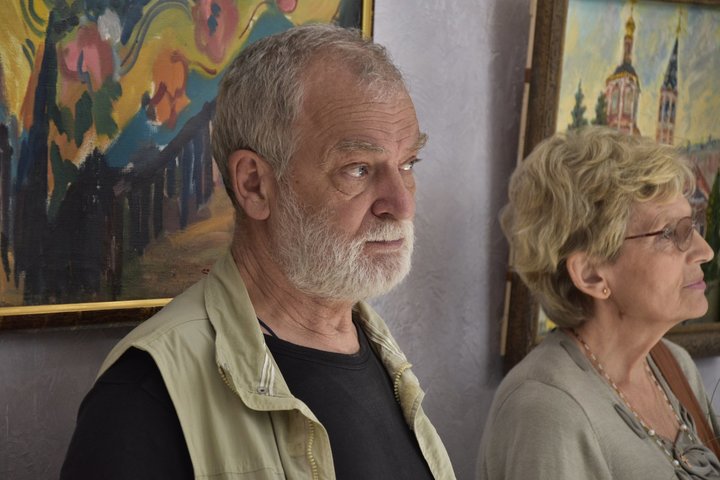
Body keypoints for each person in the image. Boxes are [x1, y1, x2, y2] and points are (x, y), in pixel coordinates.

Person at [61, 25, 455, 480]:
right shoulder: (145, 395)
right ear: (254, 185)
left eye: (407, 164)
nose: (402, 204)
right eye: (358, 169)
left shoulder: (384, 357)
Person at [479, 126, 720, 480]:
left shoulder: (672, 363)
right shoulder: (547, 409)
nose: (704, 251)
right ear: (591, 275)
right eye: (672, 233)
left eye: (693, 226)